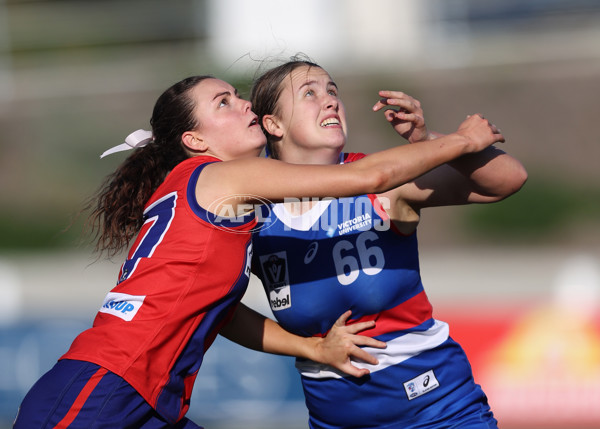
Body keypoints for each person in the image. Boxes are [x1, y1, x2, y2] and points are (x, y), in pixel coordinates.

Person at [13, 75, 504, 429]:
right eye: (224, 102)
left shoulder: (212, 194)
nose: (244, 105)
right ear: (195, 140)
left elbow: (220, 312)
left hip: (149, 395)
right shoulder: (219, 177)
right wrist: (461, 140)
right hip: (109, 381)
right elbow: (366, 178)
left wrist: (311, 348)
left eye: (239, 95)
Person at [249, 57, 528, 429]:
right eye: (310, 94)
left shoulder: (384, 179)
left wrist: (426, 141)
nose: (330, 100)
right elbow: (218, 310)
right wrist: (310, 348)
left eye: (333, 91)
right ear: (273, 124)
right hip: (336, 421)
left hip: (439, 411)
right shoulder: (251, 211)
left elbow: (508, 180)